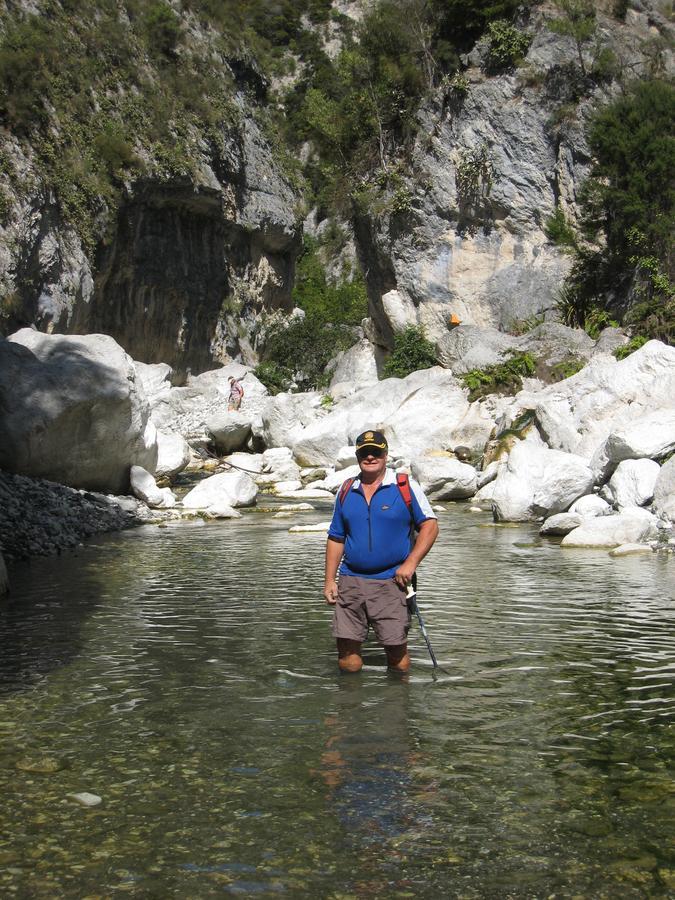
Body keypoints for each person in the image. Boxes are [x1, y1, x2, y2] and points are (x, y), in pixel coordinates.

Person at [324, 430, 439, 674]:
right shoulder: (346, 489)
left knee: (395, 651)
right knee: (346, 651)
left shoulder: (405, 486)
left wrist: (410, 564)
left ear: (385, 454)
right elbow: (336, 537)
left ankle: (396, 706)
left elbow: (430, 526)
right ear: (357, 456)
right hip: (350, 581)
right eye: (364, 452)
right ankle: (349, 705)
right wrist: (329, 580)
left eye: (375, 451)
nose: (370, 457)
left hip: (392, 581)